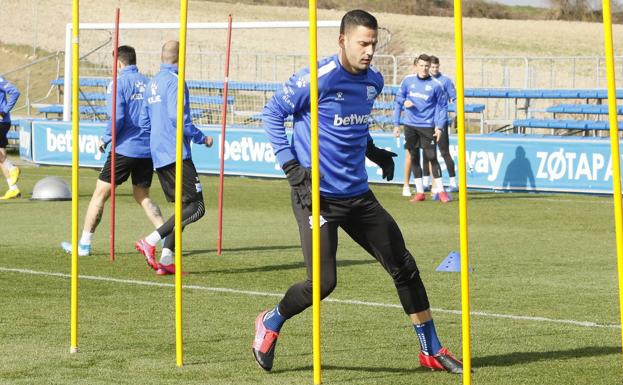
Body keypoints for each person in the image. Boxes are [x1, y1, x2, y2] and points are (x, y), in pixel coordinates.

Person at [253, 10, 463, 374]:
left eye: (373, 44)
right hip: (314, 195)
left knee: (404, 265)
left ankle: (431, 349)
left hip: (357, 194)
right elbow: (272, 114)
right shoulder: (315, 78)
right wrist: (290, 165)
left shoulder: (374, 82)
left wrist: (374, 151)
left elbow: (355, 125)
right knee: (322, 283)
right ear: (342, 41)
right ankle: (270, 321)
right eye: (362, 43)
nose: (368, 51)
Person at [61, 45, 165, 256]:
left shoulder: (117, 84)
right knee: (143, 196)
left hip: (125, 149)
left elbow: (116, 117)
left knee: (99, 195)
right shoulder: (150, 83)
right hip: (146, 150)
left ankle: (84, 245)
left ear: (118, 63)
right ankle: (169, 242)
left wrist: (106, 138)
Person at [134, 40, 213, 276]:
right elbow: (178, 117)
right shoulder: (176, 81)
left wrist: (159, 137)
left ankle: (167, 259)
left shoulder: (152, 83)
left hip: (159, 153)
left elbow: (143, 122)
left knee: (182, 207)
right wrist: (202, 138)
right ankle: (150, 241)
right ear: (181, 57)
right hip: (176, 152)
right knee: (196, 208)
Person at [393, 54, 450, 203]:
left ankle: (442, 191)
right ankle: (420, 192)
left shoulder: (436, 84)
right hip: (410, 126)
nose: (424, 68)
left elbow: (443, 107)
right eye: (422, 65)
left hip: (428, 126)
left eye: (427, 66)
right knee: (414, 157)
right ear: (416, 66)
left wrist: (439, 127)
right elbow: (398, 101)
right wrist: (396, 124)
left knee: (432, 157)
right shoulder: (407, 81)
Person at [424, 55, 458, 195]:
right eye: (432, 67)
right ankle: (426, 183)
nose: (434, 69)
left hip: (440, 122)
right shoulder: (424, 81)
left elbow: (455, 99)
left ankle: (453, 183)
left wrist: (457, 114)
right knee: (427, 153)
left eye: (436, 67)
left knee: (444, 152)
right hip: (426, 122)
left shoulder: (445, 81)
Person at [0, 76, 21, 200]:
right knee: (1, 156)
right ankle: (13, 189)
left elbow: (15, 92)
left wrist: (4, 111)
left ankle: (12, 168)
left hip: (1, 121)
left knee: (2, 158)